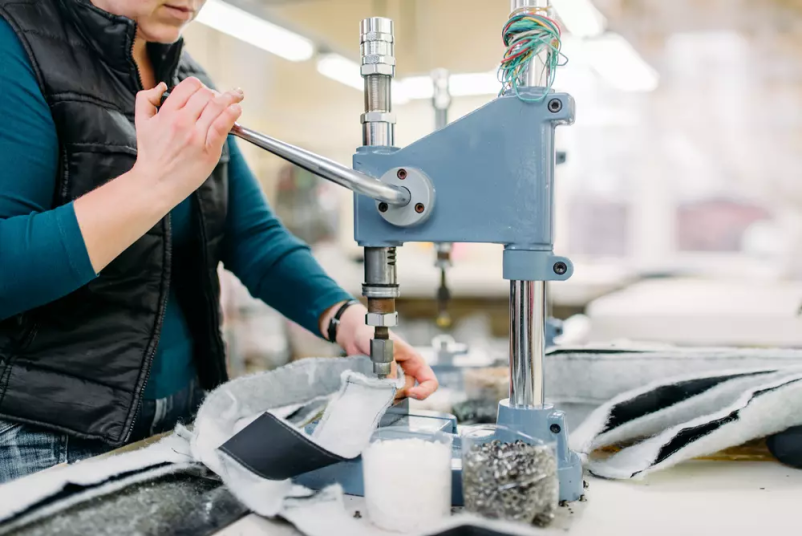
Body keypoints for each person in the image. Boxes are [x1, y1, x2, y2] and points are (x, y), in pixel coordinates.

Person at [0, 0, 438, 483]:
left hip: (184, 416)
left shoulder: (185, 76)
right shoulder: (16, 43)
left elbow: (253, 236)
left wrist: (345, 318)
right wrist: (151, 185)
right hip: (49, 431)